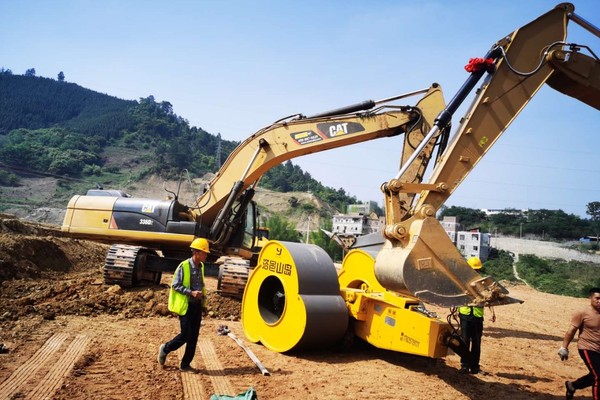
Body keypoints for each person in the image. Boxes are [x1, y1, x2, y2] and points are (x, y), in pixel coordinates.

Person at [157, 238, 210, 373]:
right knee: (185, 335)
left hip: (196, 306)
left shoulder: (201, 267)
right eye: (204, 253)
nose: (206, 255)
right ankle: (165, 348)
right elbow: (175, 285)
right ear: (196, 253)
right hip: (185, 306)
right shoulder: (184, 266)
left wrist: (203, 304)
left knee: (194, 337)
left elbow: (202, 286)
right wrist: (190, 293)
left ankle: (185, 365)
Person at [558, 287, 600, 400]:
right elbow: (571, 331)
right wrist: (564, 347)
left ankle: (572, 386)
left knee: (594, 375)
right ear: (590, 298)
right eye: (597, 298)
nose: (599, 301)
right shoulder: (582, 313)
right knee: (599, 377)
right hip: (587, 348)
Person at [457, 256, 496, 374]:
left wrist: (492, 312)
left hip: (477, 316)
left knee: (476, 342)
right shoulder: (462, 281)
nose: (475, 271)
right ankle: (464, 365)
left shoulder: (482, 283)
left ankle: (475, 367)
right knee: (465, 341)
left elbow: (488, 298)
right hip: (465, 314)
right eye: (474, 269)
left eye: (477, 269)